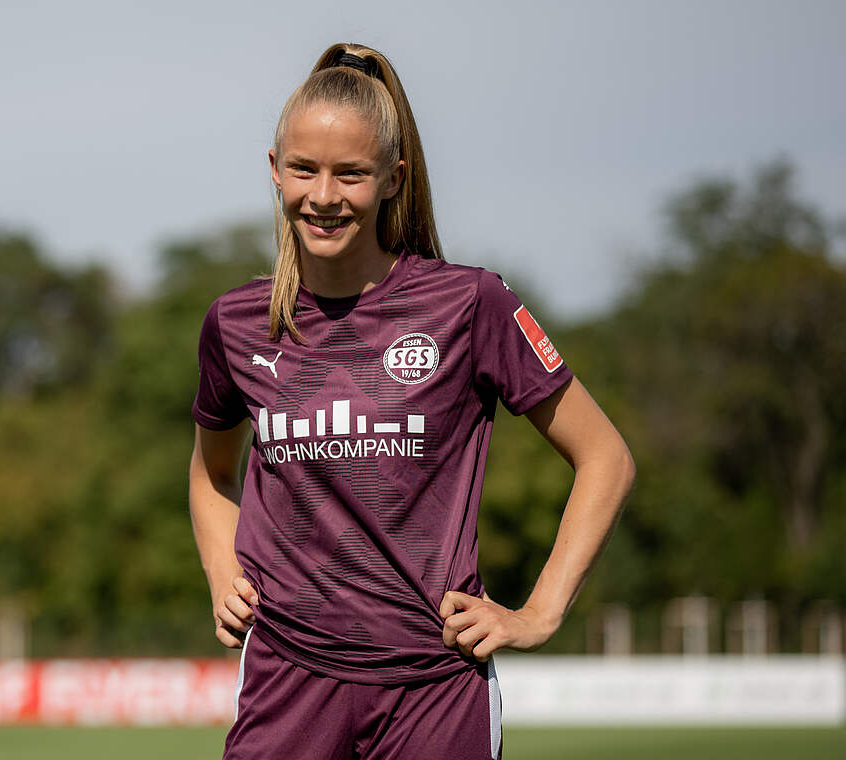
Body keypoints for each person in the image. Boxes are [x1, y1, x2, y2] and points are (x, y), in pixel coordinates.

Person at [188, 42, 635, 759]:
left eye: (351, 174)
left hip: (436, 688)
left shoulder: (470, 303)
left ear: (392, 179)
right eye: (303, 169)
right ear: (274, 170)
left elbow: (605, 458)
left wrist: (540, 612)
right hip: (287, 684)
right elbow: (211, 472)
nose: (323, 196)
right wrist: (221, 569)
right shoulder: (236, 323)